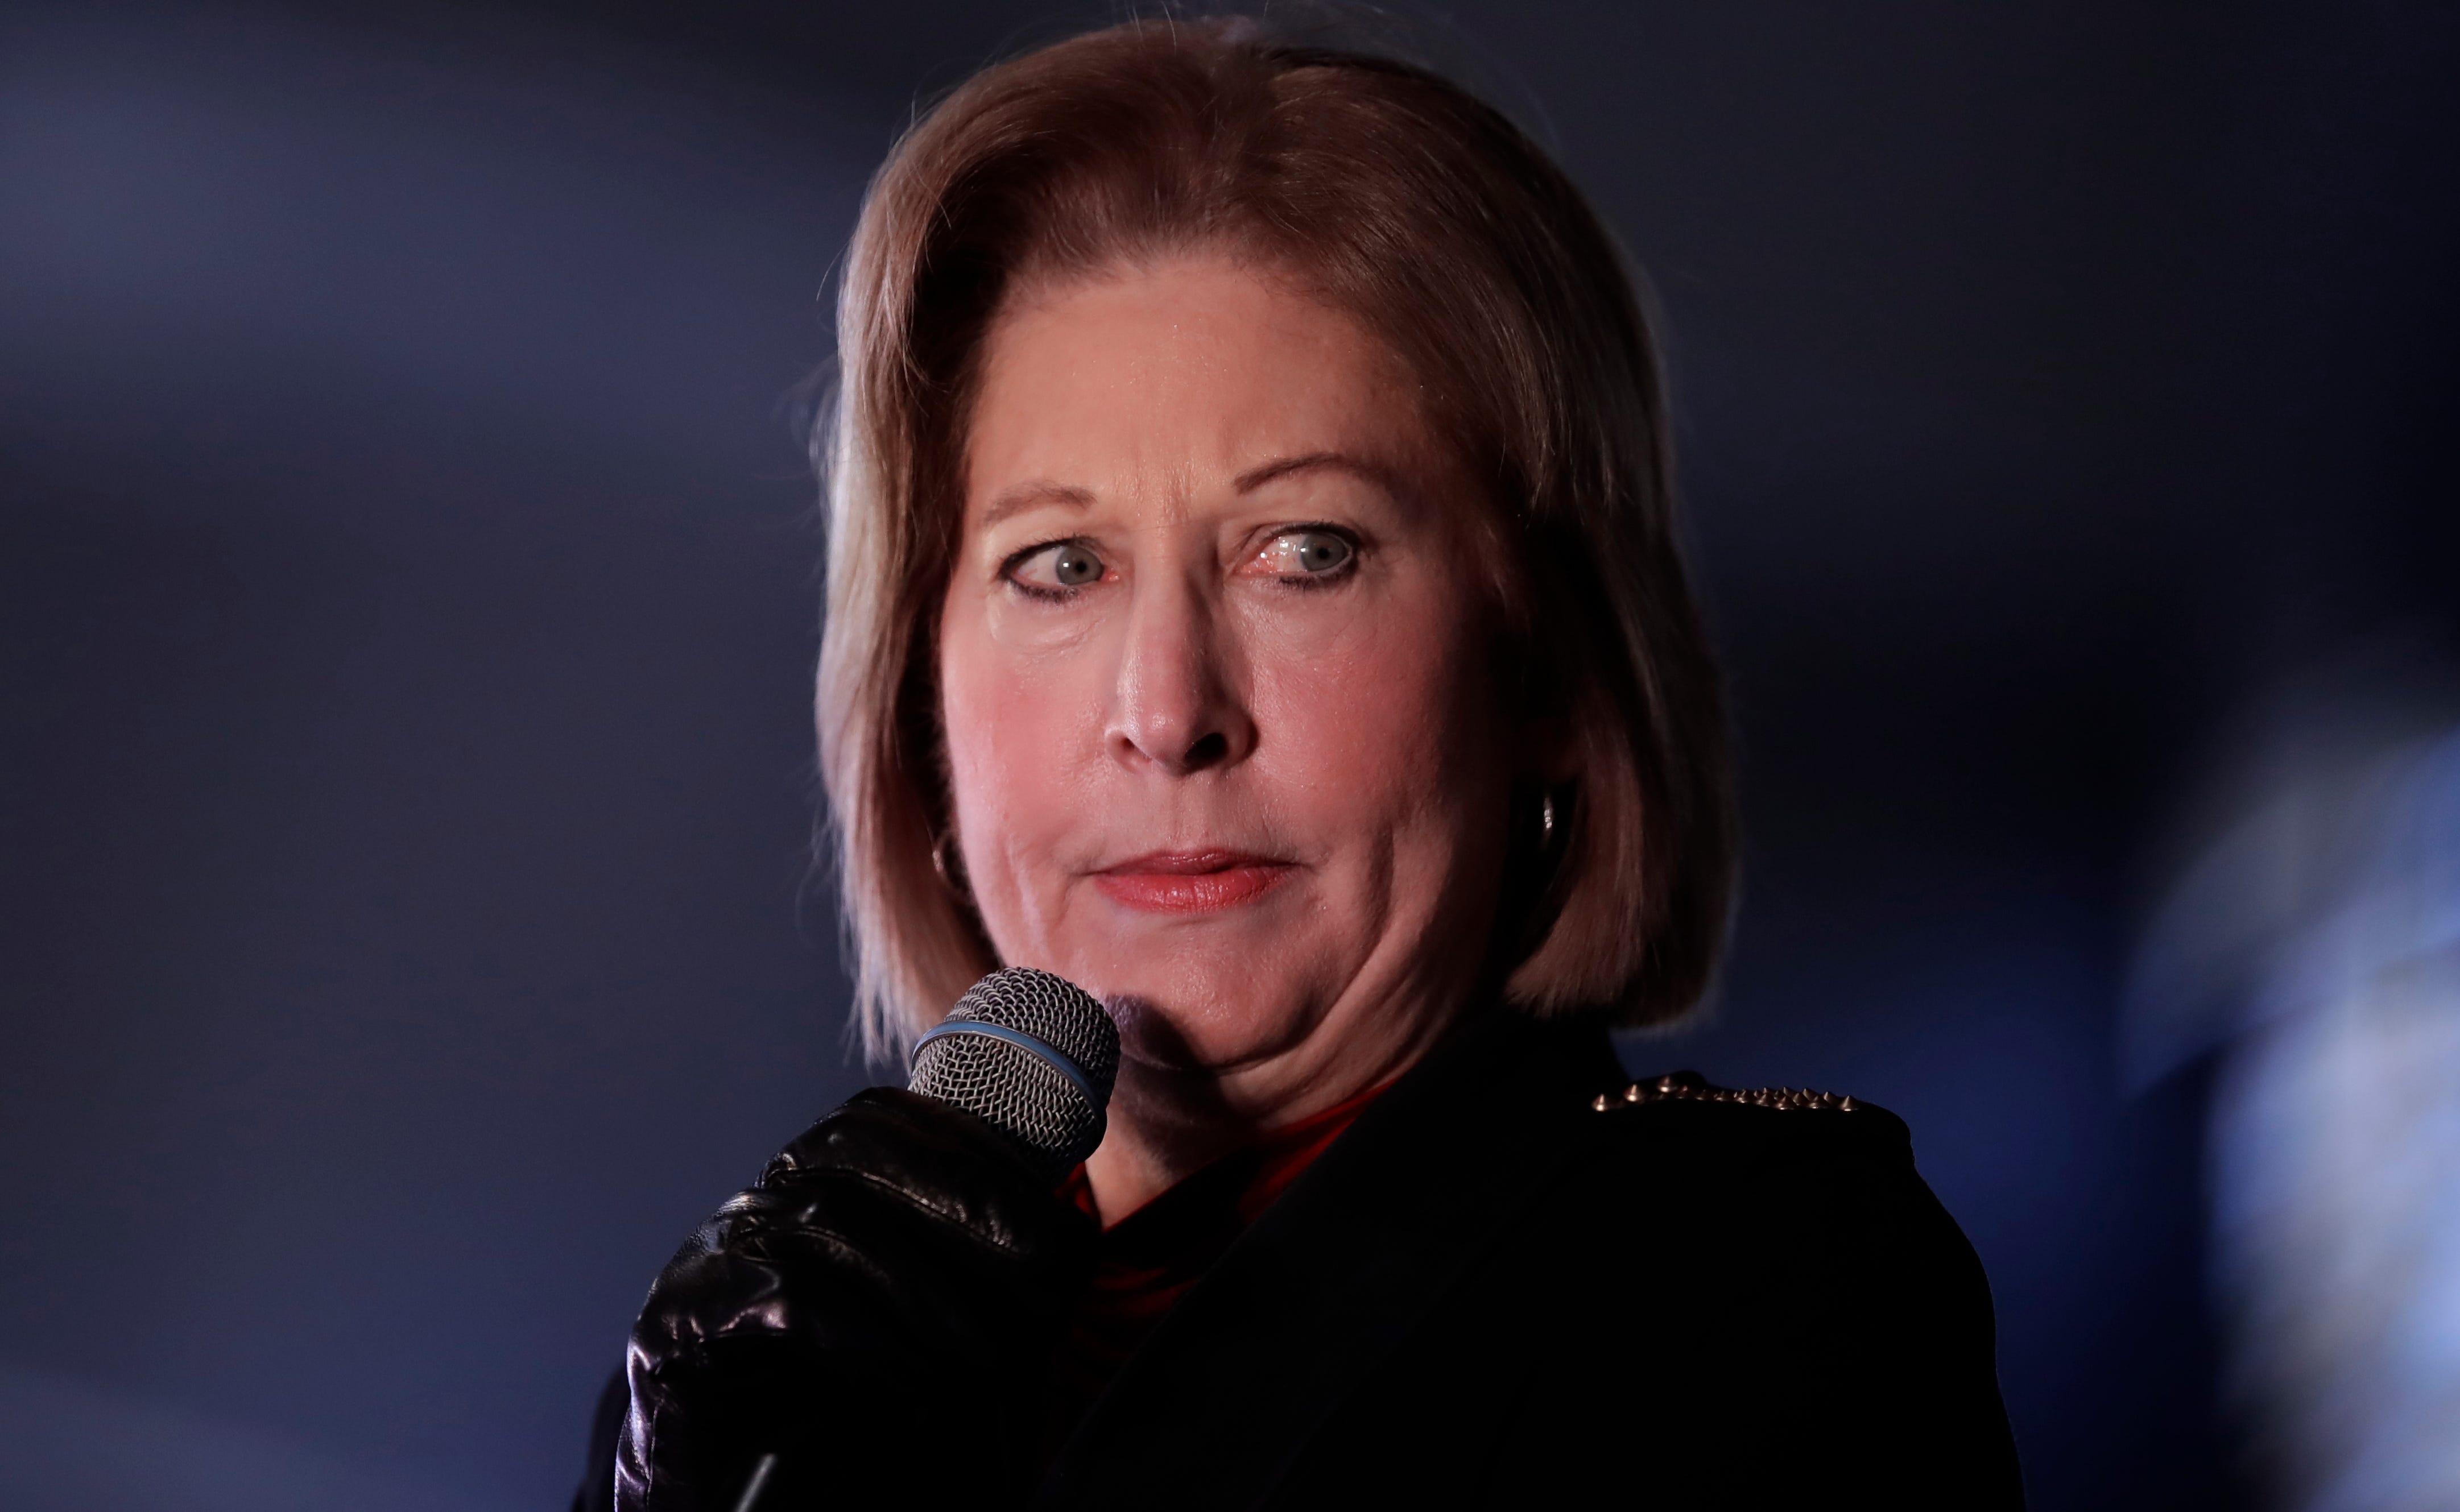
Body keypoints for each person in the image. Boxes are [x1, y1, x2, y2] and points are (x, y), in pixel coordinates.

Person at [576, 17, 2023, 1509]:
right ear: (918, 713)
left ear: (1542, 664)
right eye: (1060, 566)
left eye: (1306, 553)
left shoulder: (1751, 1269)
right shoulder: (764, 1382)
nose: (1166, 706)